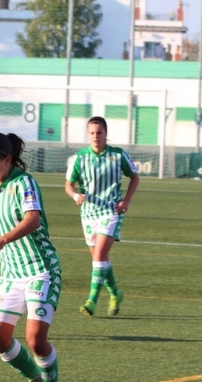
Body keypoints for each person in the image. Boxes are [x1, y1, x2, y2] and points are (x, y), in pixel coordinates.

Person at [0, 132, 63, 382]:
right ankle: (35, 381)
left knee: (36, 340)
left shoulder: (24, 183)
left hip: (41, 269)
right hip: (11, 272)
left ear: (7, 159)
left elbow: (32, 219)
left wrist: (1, 241)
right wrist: (0, 248)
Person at [65, 116, 139, 317]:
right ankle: (115, 293)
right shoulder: (79, 158)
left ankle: (92, 300)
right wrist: (75, 196)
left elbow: (134, 177)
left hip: (111, 212)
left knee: (98, 257)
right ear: (88, 135)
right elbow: (69, 185)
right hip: (88, 213)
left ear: (106, 134)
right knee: (101, 259)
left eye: (99, 132)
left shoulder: (117, 155)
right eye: (92, 133)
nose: (95, 136)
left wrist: (127, 201)